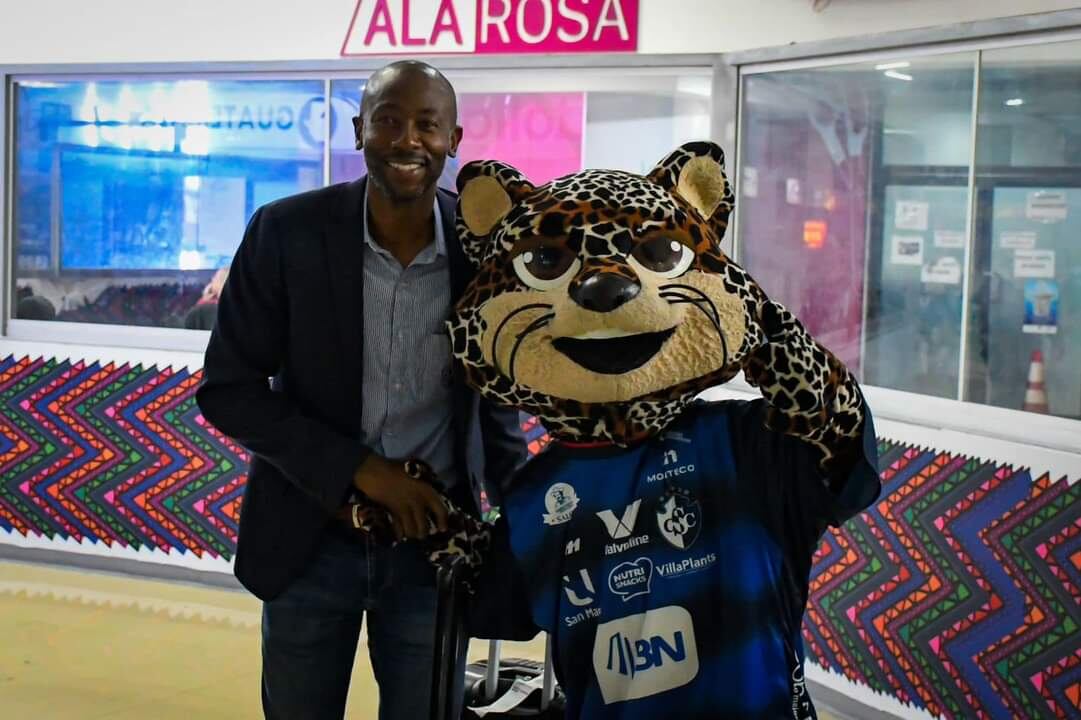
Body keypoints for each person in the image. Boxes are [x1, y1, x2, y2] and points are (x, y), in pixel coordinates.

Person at [196, 60, 526, 720]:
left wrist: (529, 519)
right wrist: (362, 471)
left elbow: (496, 406)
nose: (408, 140)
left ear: (454, 139)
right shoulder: (286, 232)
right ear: (358, 131)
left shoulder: (485, 252)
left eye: (427, 124)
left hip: (435, 553)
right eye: (389, 120)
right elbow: (228, 389)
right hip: (307, 543)